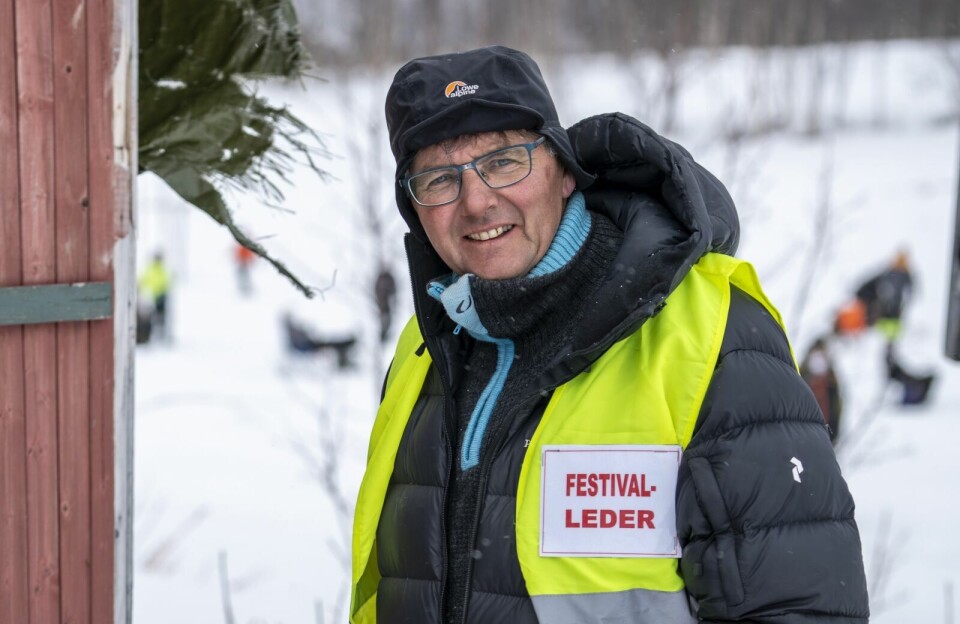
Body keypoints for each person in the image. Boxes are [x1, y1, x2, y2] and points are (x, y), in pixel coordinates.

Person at [350, 46, 869, 624]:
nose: (476, 202)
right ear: (414, 210)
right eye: (440, 179)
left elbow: (798, 606)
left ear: (564, 171)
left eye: (503, 162)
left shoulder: (708, 332)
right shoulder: (424, 349)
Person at [854, 249, 913, 342]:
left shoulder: (905, 276)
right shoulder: (889, 274)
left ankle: (890, 348)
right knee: (883, 335)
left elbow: (908, 294)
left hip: (893, 313)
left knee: (891, 336)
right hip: (884, 313)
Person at [800, 336, 844, 443]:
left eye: (821, 356)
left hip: (824, 437)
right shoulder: (799, 378)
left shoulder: (831, 383)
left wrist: (833, 435)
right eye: (816, 355)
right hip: (802, 437)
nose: (818, 361)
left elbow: (836, 409)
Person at [138, 251, 172, 343]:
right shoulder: (152, 269)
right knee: (152, 317)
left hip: (161, 296)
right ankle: (153, 334)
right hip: (152, 297)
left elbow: (166, 282)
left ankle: (161, 334)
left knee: (161, 316)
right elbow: (144, 279)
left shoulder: (162, 269)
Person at [374, 266, 397, 343]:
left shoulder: (387, 278)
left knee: (386, 320)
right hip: (383, 306)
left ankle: (384, 335)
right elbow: (377, 289)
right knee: (385, 319)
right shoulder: (380, 278)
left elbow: (393, 289)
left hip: (386, 307)